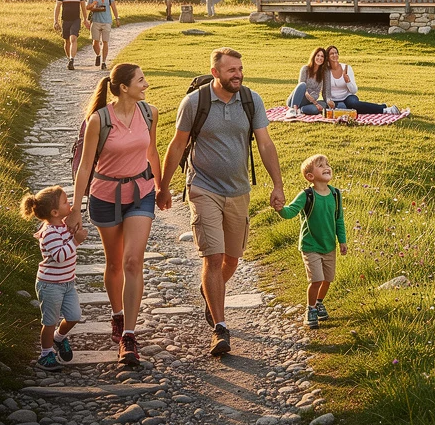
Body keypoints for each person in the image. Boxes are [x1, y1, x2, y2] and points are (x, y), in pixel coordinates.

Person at [159, 48, 285, 357]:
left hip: (239, 189)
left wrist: (278, 184)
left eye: (240, 68)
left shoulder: (250, 100)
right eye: (231, 70)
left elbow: (265, 143)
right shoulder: (195, 102)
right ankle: (220, 327)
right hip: (203, 188)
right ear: (216, 73)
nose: (238, 74)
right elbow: (178, 145)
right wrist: (163, 187)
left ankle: (209, 290)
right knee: (213, 259)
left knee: (232, 259)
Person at [70, 64, 165, 367]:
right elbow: (86, 166)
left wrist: (161, 187)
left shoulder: (149, 113)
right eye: (141, 80)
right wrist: (75, 208)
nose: (146, 84)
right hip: (105, 196)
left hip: (141, 192)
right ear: (124, 87)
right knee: (114, 264)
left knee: (133, 261)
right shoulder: (99, 120)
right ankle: (117, 314)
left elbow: (152, 152)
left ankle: (129, 335)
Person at [20, 185, 87, 372]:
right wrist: (76, 241)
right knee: (49, 321)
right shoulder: (49, 232)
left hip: (67, 283)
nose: (70, 204)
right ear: (55, 212)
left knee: (74, 316)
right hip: (50, 285)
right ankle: (45, 354)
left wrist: (74, 233)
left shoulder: (63, 225)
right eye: (66, 202)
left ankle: (59, 338)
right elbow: (59, 255)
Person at [277, 154, 347, 329]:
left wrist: (342, 241)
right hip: (310, 246)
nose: (326, 166)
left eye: (327, 163)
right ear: (310, 176)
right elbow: (290, 212)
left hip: (329, 245)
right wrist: (279, 209)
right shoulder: (306, 195)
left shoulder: (335, 194)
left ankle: (319, 302)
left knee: (327, 280)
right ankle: (311, 309)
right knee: (316, 280)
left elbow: (339, 219)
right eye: (320, 165)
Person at [325, 44, 404, 115]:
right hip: (334, 100)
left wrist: (348, 81)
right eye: (332, 53)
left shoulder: (346, 68)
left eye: (336, 53)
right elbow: (325, 91)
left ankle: (385, 110)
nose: (334, 55)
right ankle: (378, 106)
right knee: (343, 109)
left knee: (354, 104)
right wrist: (328, 100)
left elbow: (354, 91)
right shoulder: (325, 71)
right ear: (328, 57)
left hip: (348, 97)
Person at [86, 0, 118, 73]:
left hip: (106, 21)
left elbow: (113, 6)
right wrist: (93, 4)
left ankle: (103, 62)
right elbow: (87, 7)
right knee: (95, 42)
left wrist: (117, 18)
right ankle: (98, 55)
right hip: (95, 21)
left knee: (105, 42)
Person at [54, 0, 87, 71]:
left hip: (76, 19)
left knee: (73, 38)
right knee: (67, 41)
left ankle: (72, 59)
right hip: (65, 20)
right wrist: (55, 21)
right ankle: (69, 59)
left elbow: (83, 7)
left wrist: (85, 19)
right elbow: (57, 8)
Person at [287, 47, 330, 115]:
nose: (320, 58)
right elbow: (301, 89)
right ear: (314, 56)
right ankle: (293, 109)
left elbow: (324, 91)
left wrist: (328, 102)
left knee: (321, 106)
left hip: (309, 102)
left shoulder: (324, 72)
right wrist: (315, 102)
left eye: (322, 56)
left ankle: (301, 109)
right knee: (302, 85)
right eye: (318, 55)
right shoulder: (305, 69)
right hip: (297, 99)